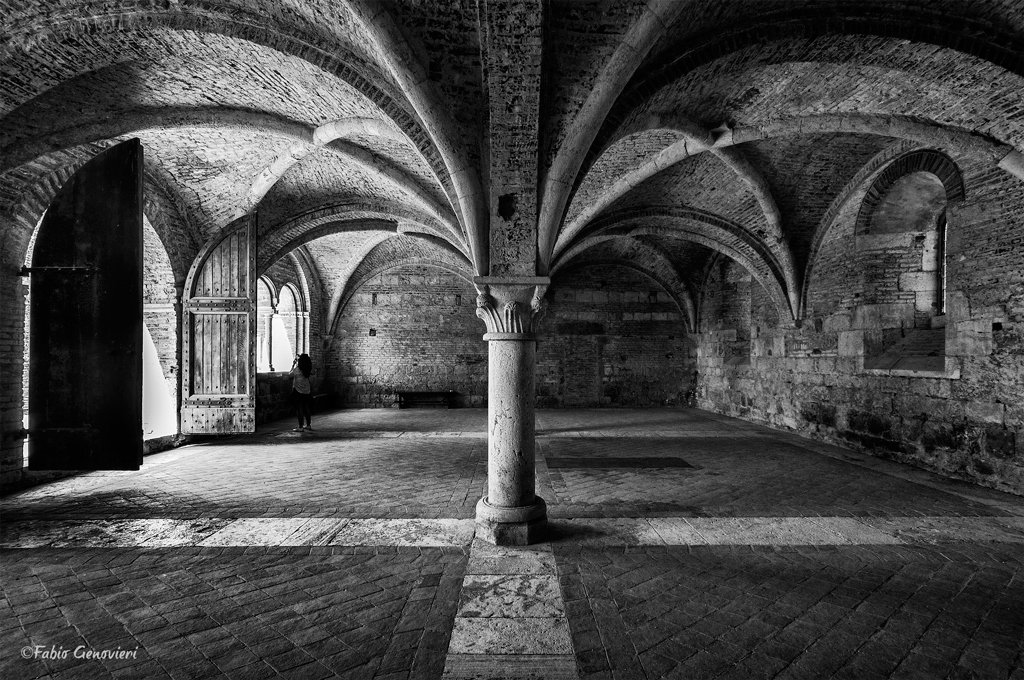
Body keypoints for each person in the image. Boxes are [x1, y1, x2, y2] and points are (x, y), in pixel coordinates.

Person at [289, 353, 313, 431]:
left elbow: (290, 375)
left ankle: (300, 427)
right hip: (307, 391)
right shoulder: (307, 370)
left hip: (298, 392)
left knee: (300, 409)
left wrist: (293, 364)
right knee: (306, 408)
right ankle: (308, 425)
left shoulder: (297, 370)